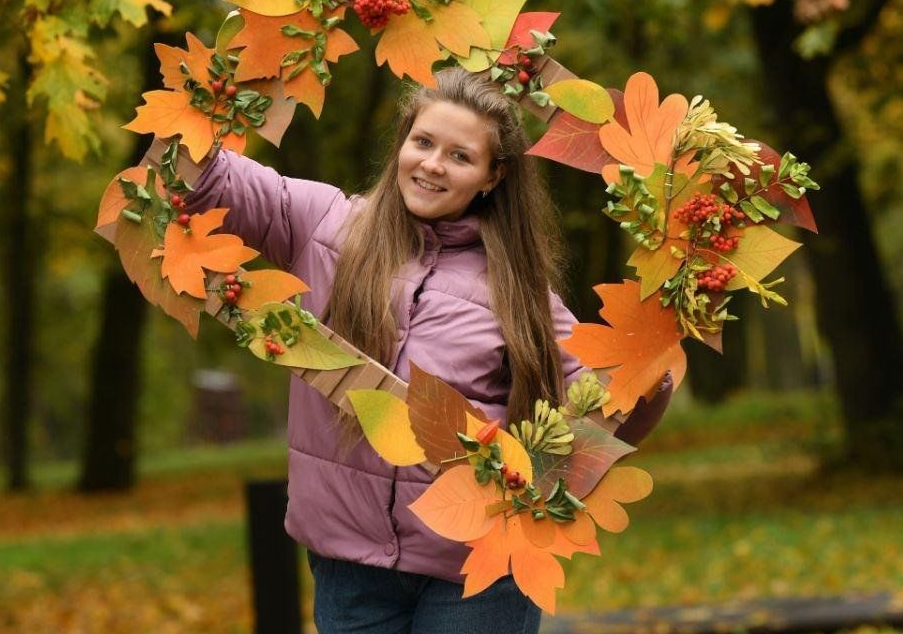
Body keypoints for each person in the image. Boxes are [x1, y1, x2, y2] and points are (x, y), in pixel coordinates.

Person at [185, 67, 671, 633]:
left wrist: (657, 349)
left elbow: (612, 401)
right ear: (402, 144)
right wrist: (240, 69)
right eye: (423, 142)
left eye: (461, 156)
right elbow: (200, 176)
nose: (433, 164)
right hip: (351, 568)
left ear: (493, 176)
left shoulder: (518, 292)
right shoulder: (323, 224)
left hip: (476, 573)